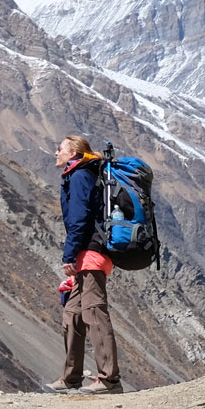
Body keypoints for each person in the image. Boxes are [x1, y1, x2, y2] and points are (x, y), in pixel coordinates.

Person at [45, 134, 122, 394]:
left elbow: (79, 218)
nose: (56, 153)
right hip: (86, 254)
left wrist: (69, 255)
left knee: (94, 312)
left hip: (91, 252)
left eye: (60, 149)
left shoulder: (79, 176)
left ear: (74, 153)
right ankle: (70, 377)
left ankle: (109, 380)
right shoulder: (78, 174)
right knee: (73, 315)